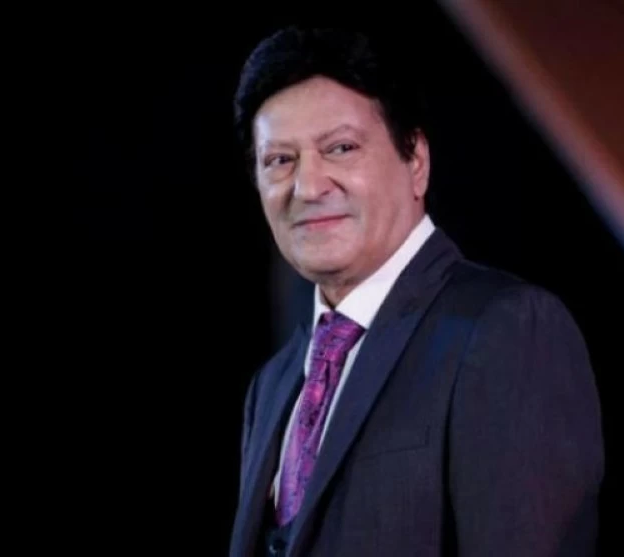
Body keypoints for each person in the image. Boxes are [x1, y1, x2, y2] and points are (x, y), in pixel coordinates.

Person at [229, 25, 604, 557]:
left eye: (340, 148)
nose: (307, 187)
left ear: (416, 161)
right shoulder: (274, 383)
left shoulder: (507, 330)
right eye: (279, 160)